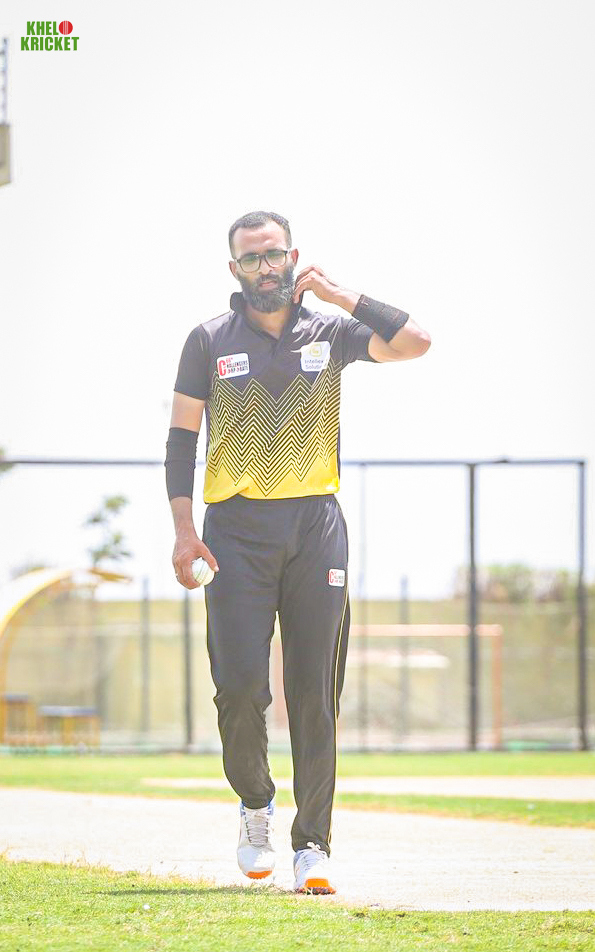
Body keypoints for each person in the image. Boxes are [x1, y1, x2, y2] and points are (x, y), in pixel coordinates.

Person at [164, 210, 431, 894]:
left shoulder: (330, 331)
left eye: (274, 254)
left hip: (315, 528)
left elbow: (416, 342)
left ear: (293, 257)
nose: (265, 267)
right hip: (233, 532)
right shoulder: (208, 340)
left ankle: (312, 843)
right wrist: (184, 530)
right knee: (238, 690)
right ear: (234, 269)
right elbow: (181, 440)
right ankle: (256, 803)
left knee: (314, 694)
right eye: (251, 258)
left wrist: (342, 295)